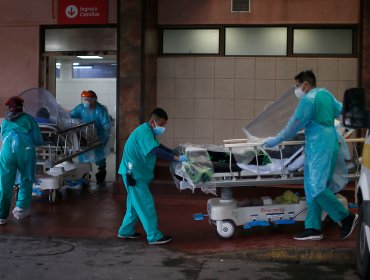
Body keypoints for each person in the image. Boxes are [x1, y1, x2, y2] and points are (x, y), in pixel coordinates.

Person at [263, 70, 358, 241]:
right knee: (311, 187)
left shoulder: (308, 100)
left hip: (319, 146)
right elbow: (342, 111)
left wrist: (274, 140)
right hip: (326, 143)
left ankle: (346, 217)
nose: (297, 89)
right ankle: (313, 228)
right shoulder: (325, 94)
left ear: (305, 84)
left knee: (317, 187)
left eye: (298, 85)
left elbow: (293, 126)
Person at [117, 108, 187, 245]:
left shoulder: (147, 131)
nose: (162, 128)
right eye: (161, 125)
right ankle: (154, 236)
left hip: (134, 173)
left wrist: (174, 153)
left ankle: (126, 231)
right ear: (152, 122)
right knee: (145, 204)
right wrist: (176, 158)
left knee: (133, 205)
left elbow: (159, 146)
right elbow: (155, 150)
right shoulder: (144, 132)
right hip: (134, 175)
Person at [0, 96, 44, 224]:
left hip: (7, 151)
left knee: (4, 182)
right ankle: (21, 210)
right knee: (26, 178)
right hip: (25, 150)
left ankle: (1, 215)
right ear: (22, 107)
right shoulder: (29, 119)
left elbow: (3, 137)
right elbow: (38, 140)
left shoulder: (6, 121)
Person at [70, 90, 111, 183]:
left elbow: (107, 125)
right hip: (84, 135)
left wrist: (104, 138)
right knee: (83, 155)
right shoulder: (80, 108)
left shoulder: (100, 110)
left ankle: (101, 171)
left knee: (99, 156)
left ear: (94, 100)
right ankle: (84, 172)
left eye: (88, 99)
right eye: (84, 99)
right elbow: (70, 115)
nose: (86, 101)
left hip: (98, 136)